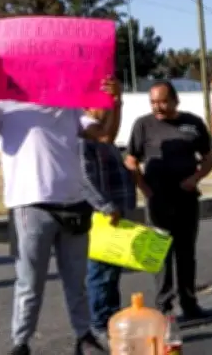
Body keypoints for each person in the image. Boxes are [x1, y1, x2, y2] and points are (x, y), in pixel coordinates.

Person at [0, 53, 123, 355]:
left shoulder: (68, 107)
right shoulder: (3, 106)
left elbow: (105, 134)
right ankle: (21, 343)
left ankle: (84, 337)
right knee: (29, 284)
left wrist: (115, 102)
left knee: (76, 282)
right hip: (30, 208)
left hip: (74, 205)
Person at [124, 81, 212, 319]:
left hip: (186, 199)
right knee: (160, 254)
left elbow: (208, 158)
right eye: (153, 102)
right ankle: (164, 307)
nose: (158, 107)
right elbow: (131, 161)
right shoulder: (143, 125)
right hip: (158, 201)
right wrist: (145, 189)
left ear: (176, 100)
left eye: (163, 102)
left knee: (186, 253)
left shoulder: (193, 124)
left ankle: (189, 303)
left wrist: (195, 178)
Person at [81, 103, 137, 344]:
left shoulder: (103, 136)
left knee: (111, 270)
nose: (109, 109)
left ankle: (111, 318)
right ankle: (100, 323)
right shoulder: (84, 136)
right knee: (101, 272)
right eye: (104, 105)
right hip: (102, 215)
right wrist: (105, 206)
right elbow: (84, 178)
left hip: (115, 212)